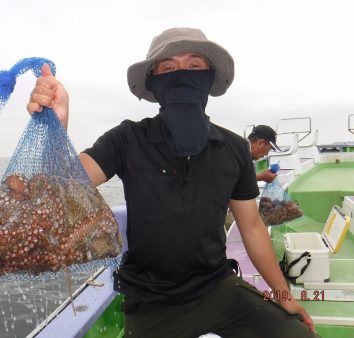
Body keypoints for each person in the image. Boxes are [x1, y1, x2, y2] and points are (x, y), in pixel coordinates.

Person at [27, 27, 319, 338]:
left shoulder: (234, 148)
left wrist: (284, 297)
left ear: (209, 76)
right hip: (151, 304)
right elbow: (59, 191)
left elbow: (252, 227)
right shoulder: (128, 139)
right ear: (154, 81)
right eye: (168, 67)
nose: (181, 74)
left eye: (194, 65)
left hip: (219, 288)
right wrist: (55, 128)